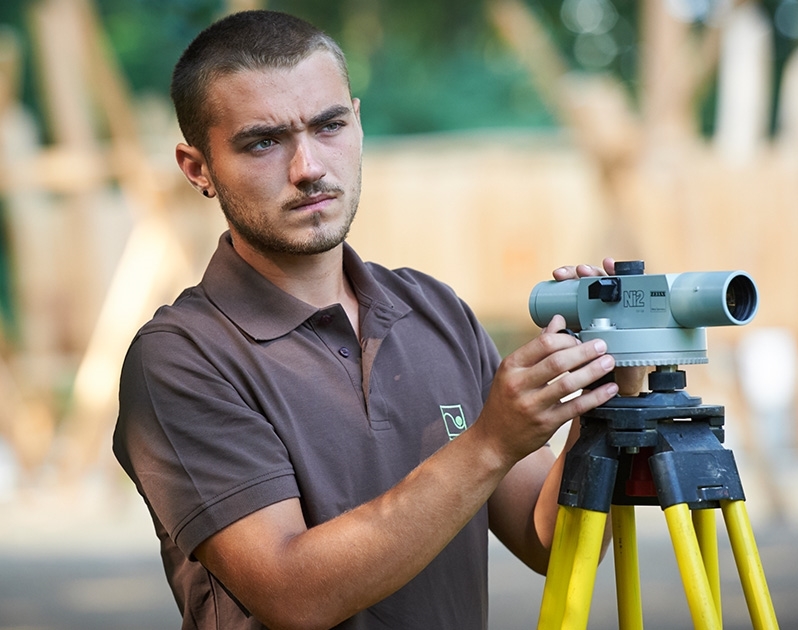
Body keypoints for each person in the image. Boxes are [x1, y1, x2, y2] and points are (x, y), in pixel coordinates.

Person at [113, 10, 637, 630]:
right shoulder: (181, 357)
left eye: (329, 125)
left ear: (357, 123)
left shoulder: (435, 311)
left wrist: (612, 390)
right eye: (263, 141)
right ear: (198, 168)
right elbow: (292, 595)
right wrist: (491, 442)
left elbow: (549, 541)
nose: (307, 167)